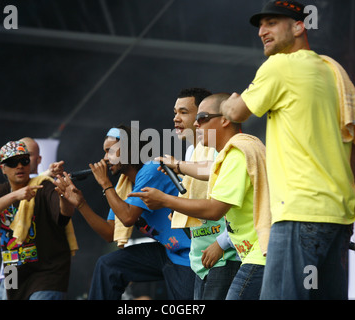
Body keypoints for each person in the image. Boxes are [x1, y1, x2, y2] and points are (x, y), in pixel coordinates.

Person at [220, 0, 355, 299]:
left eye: (272, 23)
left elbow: (236, 112)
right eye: (261, 26)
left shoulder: (280, 65)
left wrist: (226, 102)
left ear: (299, 26)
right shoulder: (333, 70)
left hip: (299, 215)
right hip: (338, 218)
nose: (262, 31)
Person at [129, 93, 271, 300]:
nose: (196, 124)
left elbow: (215, 210)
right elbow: (208, 169)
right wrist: (177, 166)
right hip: (251, 253)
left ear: (224, 119)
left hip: (258, 254)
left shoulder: (237, 152)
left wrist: (165, 200)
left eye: (202, 118)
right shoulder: (232, 153)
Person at [54, 125, 195, 300]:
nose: (105, 159)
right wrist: (81, 204)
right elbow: (110, 233)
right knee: (108, 265)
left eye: (110, 151)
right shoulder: (124, 185)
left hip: (188, 253)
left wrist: (105, 183)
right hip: (169, 251)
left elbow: (128, 218)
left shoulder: (151, 169)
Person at [0, 140, 76, 300]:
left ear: (31, 163)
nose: (20, 166)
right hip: (12, 270)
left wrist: (65, 195)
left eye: (24, 160)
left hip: (46, 273)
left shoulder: (44, 186)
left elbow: (64, 215)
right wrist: (15, 195)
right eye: (13, 162)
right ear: (3, 168)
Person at [167, 88, 241, 300]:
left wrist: (222, 243)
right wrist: (180, 210)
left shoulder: (224, 148)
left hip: (225, 255)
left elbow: (236, 206)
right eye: (175, 112)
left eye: (184, 112)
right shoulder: (192, 152)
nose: (176, 119)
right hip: (202, 256)